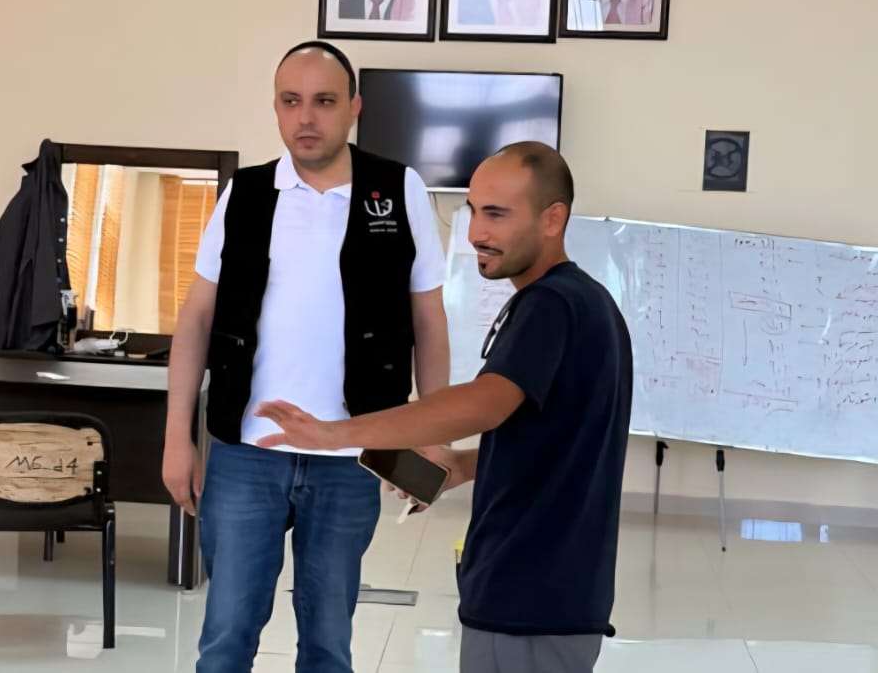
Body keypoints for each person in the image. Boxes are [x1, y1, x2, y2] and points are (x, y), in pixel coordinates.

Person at [255, 142, 632, 673]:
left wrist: (335, 433)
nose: (476, 232)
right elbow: (560, 437)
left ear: (553, 219)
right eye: (472, 211)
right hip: (554, 594)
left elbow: (484, 403)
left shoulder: (550, 304)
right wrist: (461, 466)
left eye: (496, 214)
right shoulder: (585, 302)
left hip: (528, 597)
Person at [162, 40, 451, 673]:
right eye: (291, 102)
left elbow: (428, 321)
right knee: (226, 638)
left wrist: (433, 437)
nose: (306, 118)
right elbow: (197, 319)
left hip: (352, 455)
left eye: (323, 101)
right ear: (275, 108)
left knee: (327, 642)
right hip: (247, 454)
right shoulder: (245, 193)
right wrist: (177, 439)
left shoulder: (397, 189)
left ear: (354, 107)